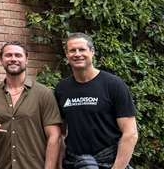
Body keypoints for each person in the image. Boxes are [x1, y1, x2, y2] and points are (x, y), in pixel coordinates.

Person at [55, 33, 138, 169]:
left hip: (108, 162)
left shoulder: (113, 85)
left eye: (82, 49)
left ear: (92, 52)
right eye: (72, 50)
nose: (77, 54)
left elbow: (130, 133)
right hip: (74, 163)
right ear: (67, 55)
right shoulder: (62, 89)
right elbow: (61, 133)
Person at [0, 41, 62, 169]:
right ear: (1, 60)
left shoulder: (44, 94)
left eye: (18, 55)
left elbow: (54, 136)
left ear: (26, 59)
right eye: (8, 55)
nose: (13, 59)